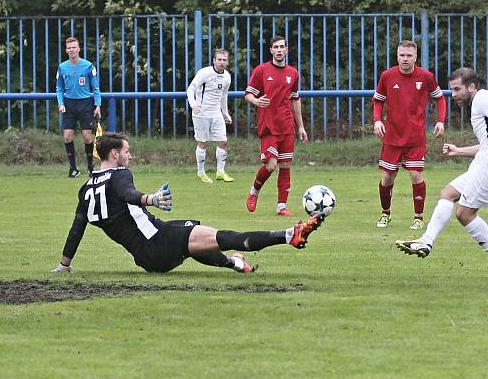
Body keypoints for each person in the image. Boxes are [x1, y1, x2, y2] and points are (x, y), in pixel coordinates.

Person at [51, 132, 324, 274]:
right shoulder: (119, 175)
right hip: (156, 242)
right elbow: (128, 194)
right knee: (223, 236)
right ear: (114, 154)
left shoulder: (86, 189)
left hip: (144, 257)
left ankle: (233, 263)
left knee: (192, 237)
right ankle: (288, 235)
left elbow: (77, 229)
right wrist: (151, 199)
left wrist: (64, 265)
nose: (130, 156)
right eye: (126, 151)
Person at [395, 67, 488, 278]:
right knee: (448, 193)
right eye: (451, 90)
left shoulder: (482, 98)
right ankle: (427, 241)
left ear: (471, 86)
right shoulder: (481, 102)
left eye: (456, 89)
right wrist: (459, 151)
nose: (453, 95)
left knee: (464, 213)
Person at [373, 39, 447, 230]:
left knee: (415, 175)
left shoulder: (426, 76)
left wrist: (440, 120)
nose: (405, 59)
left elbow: (439, 98)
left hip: (415, 137)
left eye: (409, 55)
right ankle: (385, 213)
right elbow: (378, 100)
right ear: (397, 55)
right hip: (392, 137)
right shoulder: (387, 76)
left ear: (415, 57)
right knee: (388, 177)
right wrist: (377, 120)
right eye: (401, 55)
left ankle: (418, 217)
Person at [244, 36, 308, 216]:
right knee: (271, 165)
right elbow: (248, 94)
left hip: (287, 126)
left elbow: (295, 100)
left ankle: (281, 207)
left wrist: (301, 126)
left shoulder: (293, 73)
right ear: (271, 50)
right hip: (269, 126)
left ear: (286, 50)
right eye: (276, 47)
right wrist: (256, 101)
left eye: (282, 47)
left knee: (285, 165)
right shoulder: (261, 70)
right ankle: (254, 192)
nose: (279, 50)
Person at [56, 37, 102, 178]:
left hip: (85, 104)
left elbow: (95, 87)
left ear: (79, 49)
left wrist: (97, 105)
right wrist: (61, 103)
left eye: (74, 47)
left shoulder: (88, 66)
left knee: (87, 137)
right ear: (66, 50)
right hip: (69, 105)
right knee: (68, 136)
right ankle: (73, 168)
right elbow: (59, 88)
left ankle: (90, 167)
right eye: (69, 48)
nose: (72, 50)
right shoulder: (62, 67)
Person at [186, 48, 234, 184]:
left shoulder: (227, 77)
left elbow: (223, 96)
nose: (221, 62)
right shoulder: (204, 73)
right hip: (201, 113)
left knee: (223, 141)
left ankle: (220, 172)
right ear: (214, 60)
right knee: (203, 143)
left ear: (227, 62)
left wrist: (225, 114)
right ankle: (201, 172)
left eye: (224, 60)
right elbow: (191, 89)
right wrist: (193, 104)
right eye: (219, 59)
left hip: (216, 113)